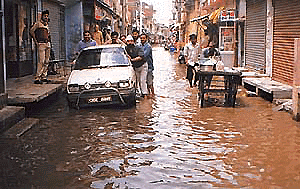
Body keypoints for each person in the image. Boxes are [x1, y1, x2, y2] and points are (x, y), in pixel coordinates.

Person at [30, 10, 51, 84]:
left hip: (47, 43)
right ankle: (37, 77)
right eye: (45, 16)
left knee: (46, 61)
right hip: (41, 44)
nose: (46, 17)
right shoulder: (38, 24)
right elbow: (31, 31)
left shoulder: (47, 25)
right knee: (41, 61)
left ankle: (44, 76)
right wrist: (36, 41)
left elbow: (48, 34)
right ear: (42, 16)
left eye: (47, 16)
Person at [140, 33, 154, 97]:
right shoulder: (140, 46)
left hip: (149, 67)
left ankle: (152, 95)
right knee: (145, 82)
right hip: (143, 67)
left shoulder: (148, 46)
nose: (142, 39)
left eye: (143, 38)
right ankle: (149, 96)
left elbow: (144, 55)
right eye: (141, 38)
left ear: (146, 39)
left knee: (149, 83)